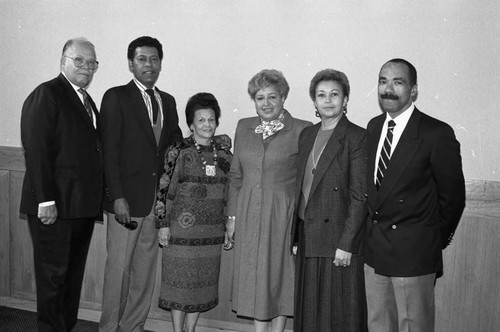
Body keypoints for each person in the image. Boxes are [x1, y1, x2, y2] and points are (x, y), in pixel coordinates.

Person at [364, 58, 466, 332]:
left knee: (413, 327)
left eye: (398, 82)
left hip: (414, 253)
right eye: (383, 81)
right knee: (378, 325)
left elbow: (453, 197)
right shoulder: (373, 127)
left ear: (413, 90)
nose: (388, 89)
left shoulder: (436, 133)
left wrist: (430, 239)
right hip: (375, 252)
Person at [99, 36, 182, 332]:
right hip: (126, 201)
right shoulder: (115, 97)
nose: (149, 65)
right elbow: (108, 151)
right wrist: (117, 196)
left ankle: (133, 327)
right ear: (131, 64)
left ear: (161, 63)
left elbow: (175, 146)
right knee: (118, 271)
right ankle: (109, 328)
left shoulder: (168, 100)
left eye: (154, 59)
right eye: (142, 59)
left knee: (144, 273)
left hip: (154, 204)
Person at [20, 37, 102, 331]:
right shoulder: (47, 94)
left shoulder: (86, 99)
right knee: (53, 281)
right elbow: (37, 150)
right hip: (54, 207)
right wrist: (45, 200)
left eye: (91, 62)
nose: (86, 67)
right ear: (63, 61)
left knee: (71, 280)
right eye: (79, 60)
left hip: (79, 207)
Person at [226, 69, 312, 332]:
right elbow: (235, 176)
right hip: (248, 210)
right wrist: (231, 218)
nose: (265, 103)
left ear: (283, 97)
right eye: (259, 97)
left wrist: (300, 222)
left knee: (279, 276)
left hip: (282, 214)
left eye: (272, 97)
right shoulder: (244, 126)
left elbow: (306, 180)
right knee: (254, 276)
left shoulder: (302, 129)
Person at [291, 69, 368, 331]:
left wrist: (347, 244)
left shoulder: (357, 137)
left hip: (338, 241)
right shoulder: (307, 135)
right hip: (308, 235)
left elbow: (360, 196)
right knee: (310, 312)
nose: (327, 100)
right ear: (314, 101)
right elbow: (302, 189)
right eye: (321, 95)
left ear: (345, 99)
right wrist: (296, 237)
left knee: (337, 314)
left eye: (334, 94)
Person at [155, 92, 233, 332]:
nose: (207, 125)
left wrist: (228, 227)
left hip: (211, 233)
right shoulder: (178, 150)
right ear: (191, 124)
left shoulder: (225, 155)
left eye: (211, 120)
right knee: (179, 285)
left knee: (202, 285)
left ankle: (191, 329)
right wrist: (163, 224)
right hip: (181, 233)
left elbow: (230, 192)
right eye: (201, 120)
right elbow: (165, 188)